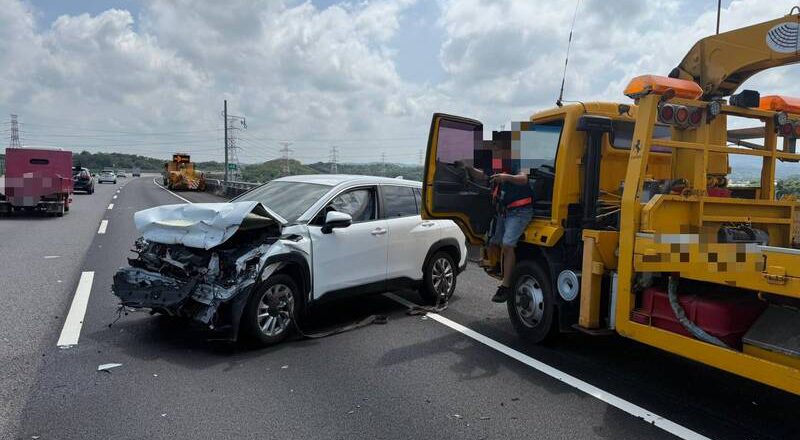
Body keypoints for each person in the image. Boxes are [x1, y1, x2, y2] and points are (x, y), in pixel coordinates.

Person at [488, 170, 534, 303]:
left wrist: (506, 177)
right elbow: (483, 175)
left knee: (507, 245)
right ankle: (499, 267)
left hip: (521, 211)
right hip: (505, 212)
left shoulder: (519, 162)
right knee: (492, 242)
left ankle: (506, 286)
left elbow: (523, 179)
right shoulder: (498, 165)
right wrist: (467, 168)